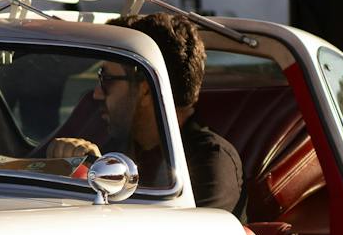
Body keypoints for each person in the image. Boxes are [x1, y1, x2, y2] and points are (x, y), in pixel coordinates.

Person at [65, 13, 243, 212]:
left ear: (146, 90)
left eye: (106, 79)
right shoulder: (117, 147)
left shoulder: (210, 161)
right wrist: (70, 163)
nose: (97, 94)